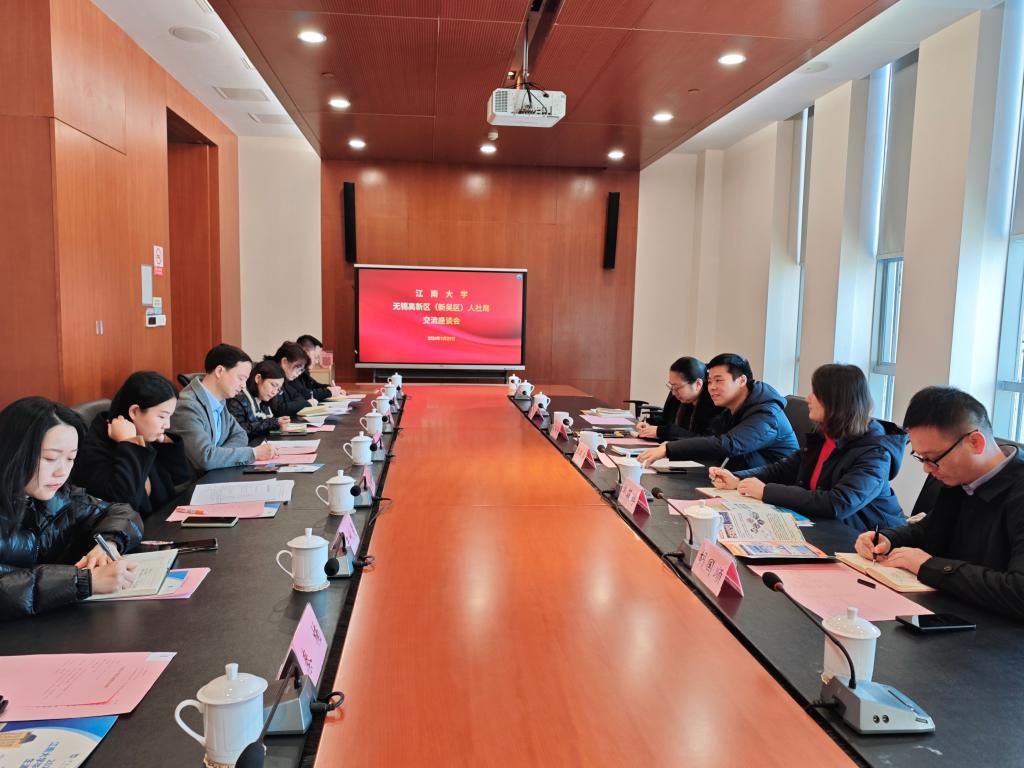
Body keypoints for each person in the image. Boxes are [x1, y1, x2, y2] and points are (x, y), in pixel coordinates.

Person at [855, 386, 1024, 619]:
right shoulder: (959, 479)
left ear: (975, 442)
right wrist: (888, 539)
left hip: (999, 632)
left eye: (932, 459)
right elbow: (930, 530)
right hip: (948, 611)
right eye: (921, 458)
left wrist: (929, 566)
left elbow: (1019, 591)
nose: (927, 469)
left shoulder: (1016, 492)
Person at [708, 364, 907, 532]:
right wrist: (739, 479)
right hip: (825, 528)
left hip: (869, 540)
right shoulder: (825, 434)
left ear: (835, 400)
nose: (808, 398)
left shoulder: (875, 452)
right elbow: (784, 468)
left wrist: (766, 491)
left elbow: (838, 503)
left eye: (815, 393)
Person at [0, 397, 143, 619]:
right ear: (13, 451)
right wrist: (82, 581)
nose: (61, 472)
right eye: (50, 458)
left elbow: (120, 511)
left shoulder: (58, 496)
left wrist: (109, 543)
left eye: (70, 459)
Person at [638, 353, 798, 470]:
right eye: (710, 381)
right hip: (742, 478)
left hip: (773, 487)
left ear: (741, 380)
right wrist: (672, 445)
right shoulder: (733, 407)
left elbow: (728, 445)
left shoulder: (767, 414)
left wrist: (669, 449)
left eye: (719, 380)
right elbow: (710, 439)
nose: (712, 387)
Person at [71, 372, 192, 517]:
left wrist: (167, 444)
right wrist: (129, 443)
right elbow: (124, 504)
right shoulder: (95, 447)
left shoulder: (145, 436)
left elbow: (180, 480)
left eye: (169, 416)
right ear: (134, 411)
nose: (167, 425)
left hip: (160, 524)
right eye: (162, 416)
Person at [170, 344, 276, 471]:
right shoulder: (187, 406)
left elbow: (240, 435)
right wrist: (253, 453)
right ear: (219, 371)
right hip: (196, 481)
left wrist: (219, 456)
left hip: (217, 474)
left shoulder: (220, 400)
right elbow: (206, 458)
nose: (243, 386)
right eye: (241, 378)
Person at [635, 356, 723, 441]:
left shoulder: (715, 404)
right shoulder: (677, 397)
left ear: (698, 384)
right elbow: (666, 420)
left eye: (677, 387)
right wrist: (648, 423)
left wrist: (664, 432)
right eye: (671, 386)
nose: (673, 393)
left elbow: (706, 441)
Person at [227, 359, 291, 442]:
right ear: (258, 378)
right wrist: (272, 423)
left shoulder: (264, 400)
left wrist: (278, 425)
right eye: (273, 385)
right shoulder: (238, 399)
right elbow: (238, 430)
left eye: (278, 389)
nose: (274, 392)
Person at [270, 342, 318, 418]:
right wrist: (306, 403)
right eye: (298, 368)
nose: (298, 374)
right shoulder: (271, 376)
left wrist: (304, 403)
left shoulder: (285, 379)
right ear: (284, 362)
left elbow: (298, 397)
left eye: (301, 370)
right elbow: (279, 409)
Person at [296, 334, 344, 402]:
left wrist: (332, 388)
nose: (317, 361)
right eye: (316, 357)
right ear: (305, 353)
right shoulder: (293, 372)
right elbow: (304, 394)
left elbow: (314, 385)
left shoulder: (304, 371)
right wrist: (329, 392)